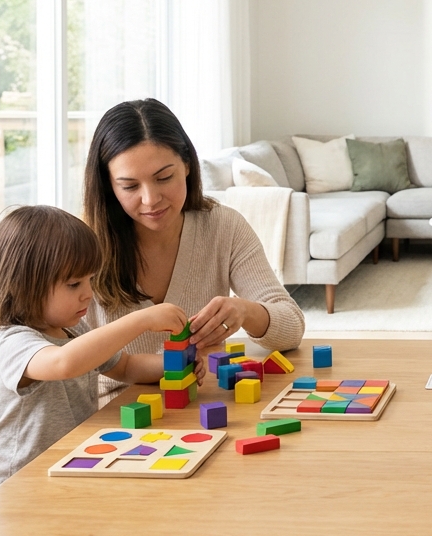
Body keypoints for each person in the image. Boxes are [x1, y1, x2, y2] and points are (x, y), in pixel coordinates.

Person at [83, 99, 304, 397]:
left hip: (200, 403)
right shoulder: (82, 246)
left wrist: (245, 311)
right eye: (130, 186)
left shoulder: (223, 227)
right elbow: (56, 359)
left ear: (187, 164)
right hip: (110, 418)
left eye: (164, 178)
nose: (150, 199)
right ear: (108, 184)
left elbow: (291, 327)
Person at [0, 206, 193, 498]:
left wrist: (177, 364)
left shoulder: (72, 331)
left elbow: (126, 367)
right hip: (19, 489)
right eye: (74, 284)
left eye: (90, 280)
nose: (88, 293)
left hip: (71, 465)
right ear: (23, 284)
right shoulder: (13, 342)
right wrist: (140, 320)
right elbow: (64, 363)